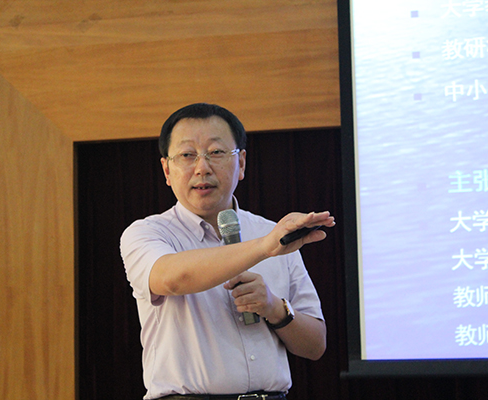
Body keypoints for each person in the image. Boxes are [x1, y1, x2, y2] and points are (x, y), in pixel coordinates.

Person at [120, 103, 335, 400]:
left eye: (216, 152)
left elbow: (315, 346)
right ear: (167, 170)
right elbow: (172, 278)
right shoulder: (147, 233)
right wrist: (264, 248)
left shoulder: (271, 232)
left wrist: (273, 307)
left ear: (241, 163)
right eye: (187, 155)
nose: (202, 168)